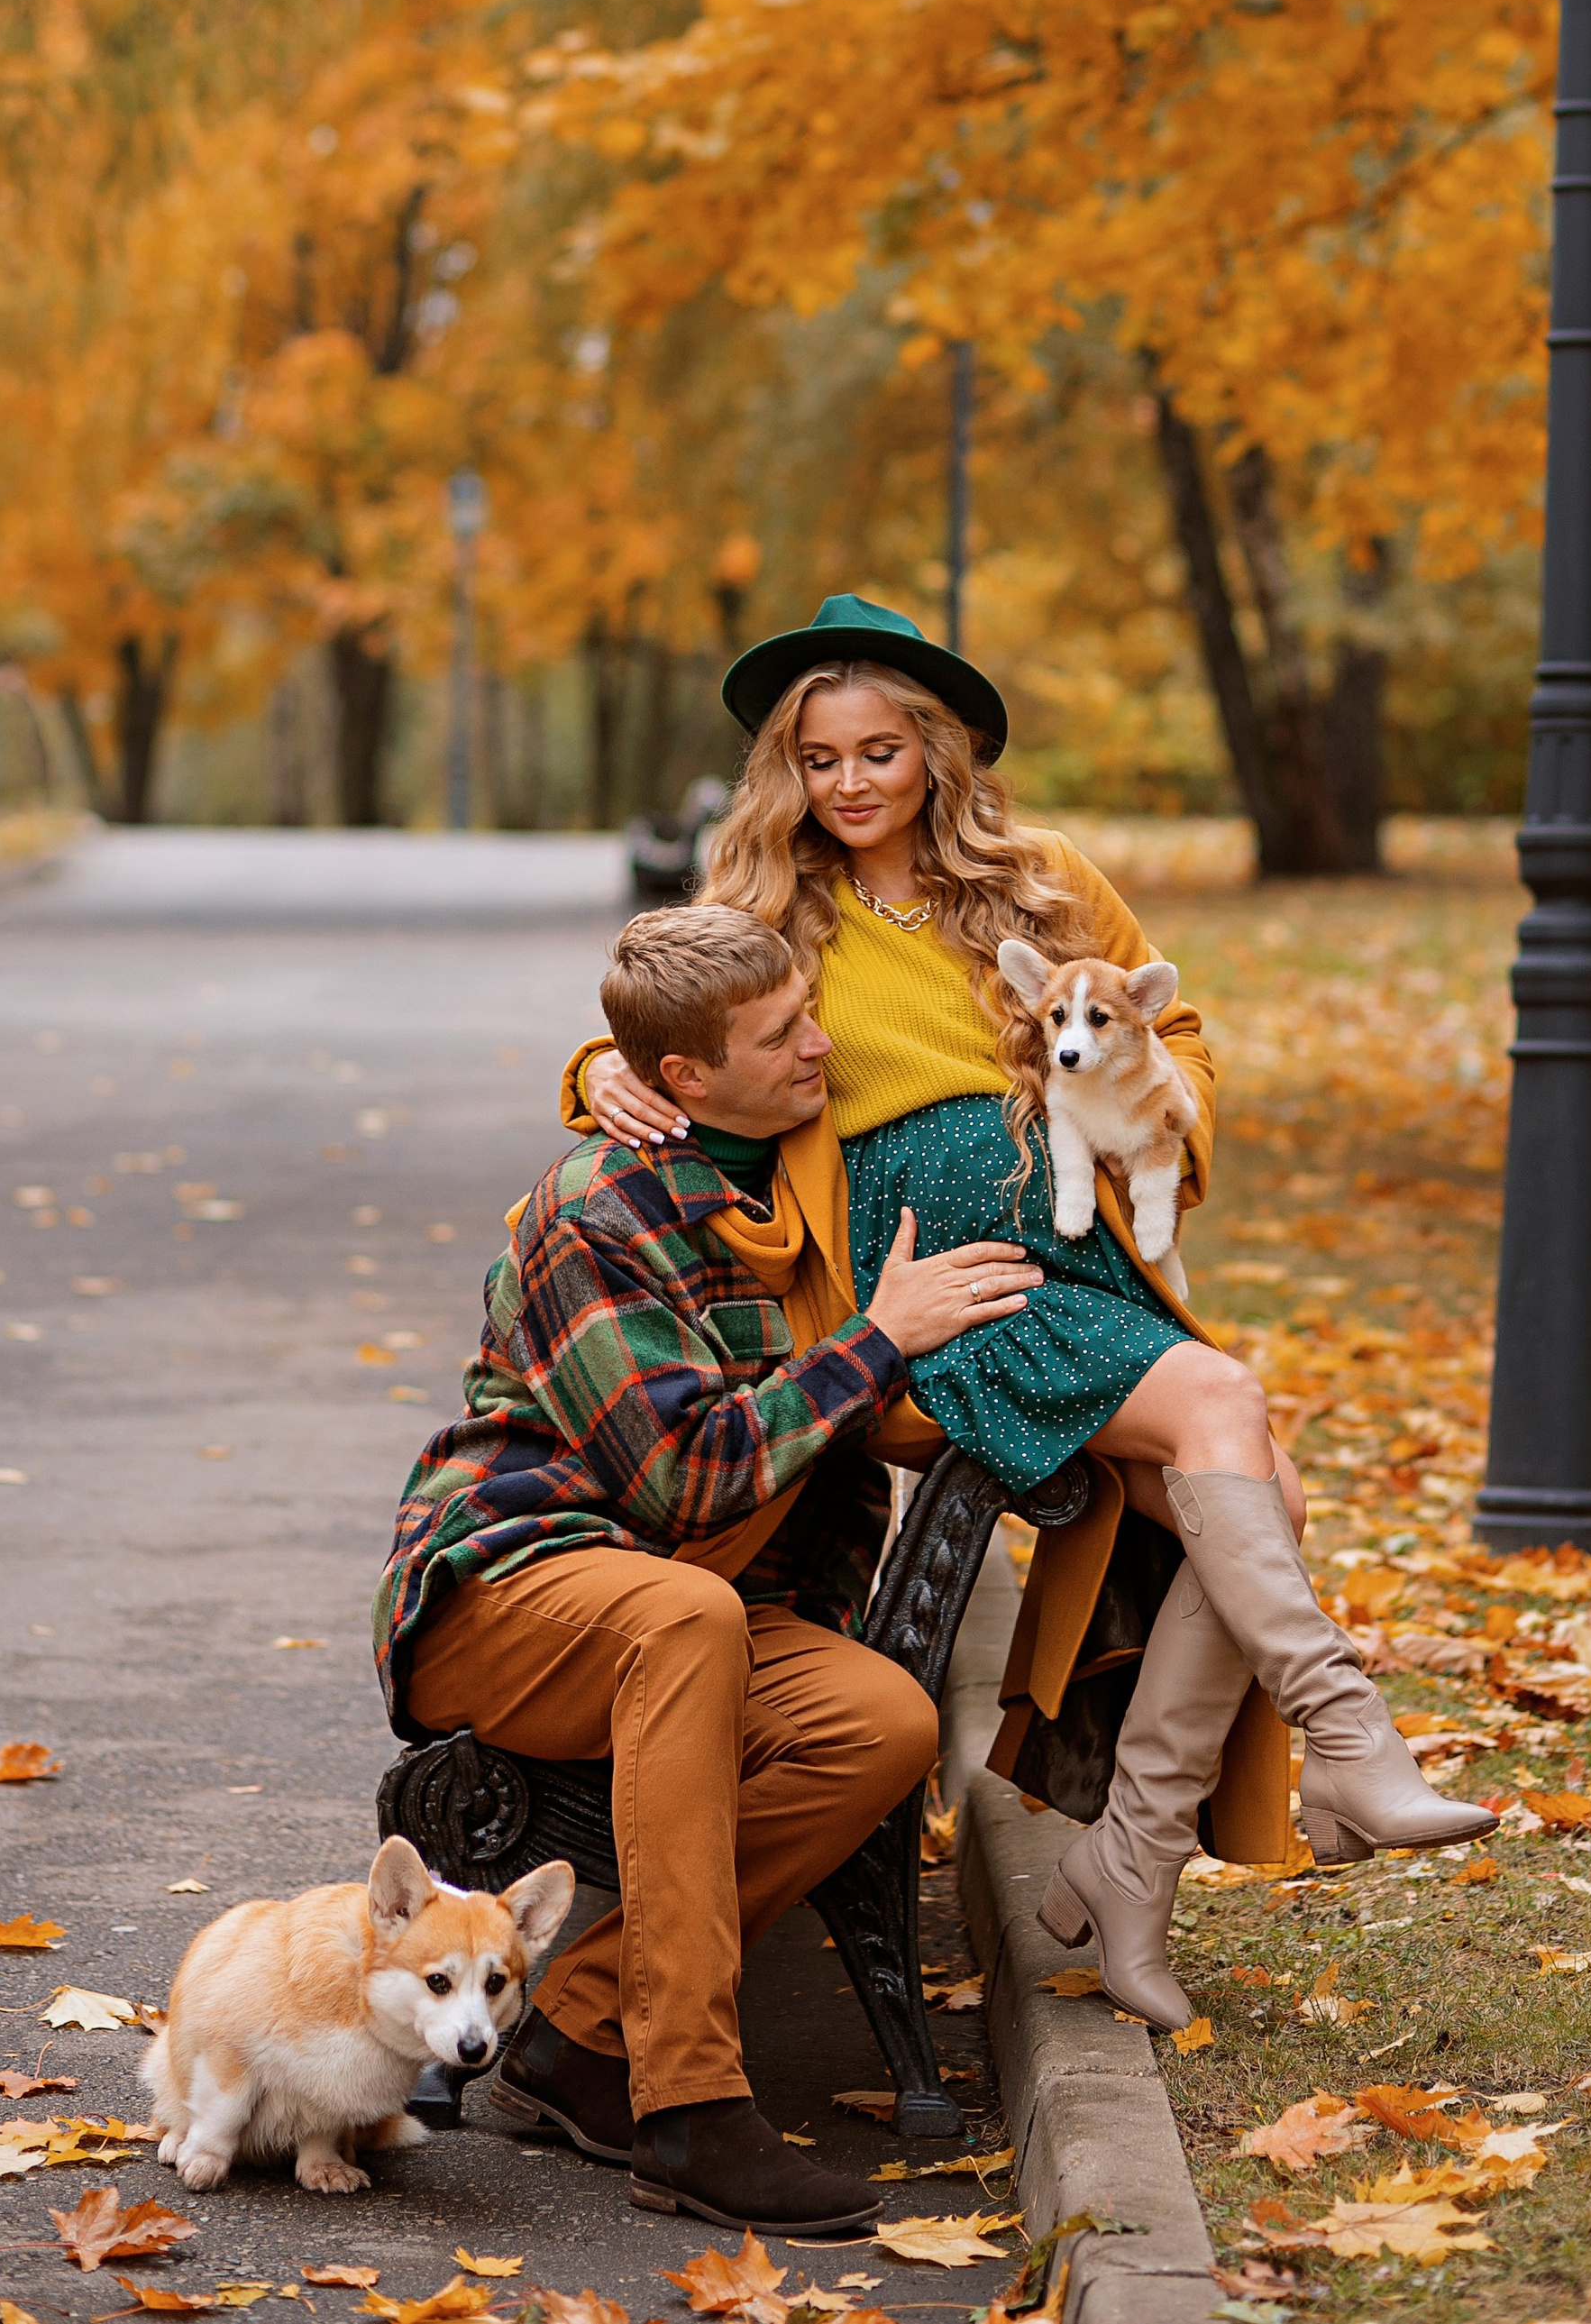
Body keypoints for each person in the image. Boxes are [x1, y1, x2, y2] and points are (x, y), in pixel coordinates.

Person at [575, 593, 1490, 2030]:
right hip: (935, 1286)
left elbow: (1171, 1032)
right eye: (822, 758)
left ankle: (1128, 1872)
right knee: (1222, 1410)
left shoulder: (1043, 876)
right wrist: (596, 1078)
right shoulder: (771, 905)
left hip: (1080, 1257)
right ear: (790, 773)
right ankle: (1349, 1736)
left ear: (933, 752)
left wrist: (1161, 1110)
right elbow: (673, 1019)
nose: (854, 780)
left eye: (882, 749)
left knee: (1263, 1490)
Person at [373, 901, 1039, 2240]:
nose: (819, 1042)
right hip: (515, 1585)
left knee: (883, 1720)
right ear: (686, 1077)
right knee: (683, 1608)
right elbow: (682, 1478)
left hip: (695, 1604)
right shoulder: (594, 1210)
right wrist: (876, 1342)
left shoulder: (798, 1168)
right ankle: (689, 2104)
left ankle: (570, 2025)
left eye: (808, 1011)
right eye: (782, 1031)